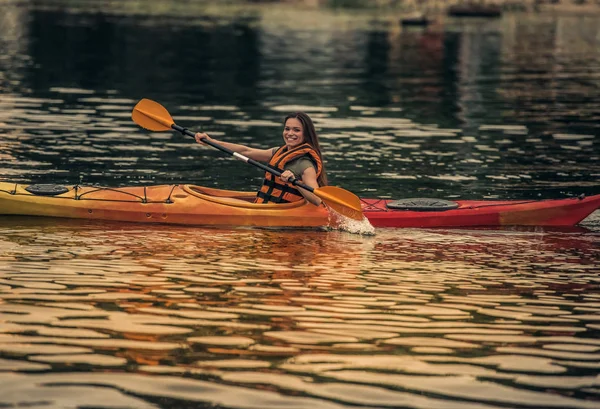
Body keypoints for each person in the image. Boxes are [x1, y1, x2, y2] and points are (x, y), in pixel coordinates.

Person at [195, 112, 328, 206]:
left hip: (281, 212)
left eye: (296, 130)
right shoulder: (278, 152)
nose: (290, 134)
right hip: (267, 205)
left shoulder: (305, 164)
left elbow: (317, 200)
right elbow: (246, 151)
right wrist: (211, 141)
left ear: (306, 134)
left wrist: (295, 182)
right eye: (287, 129)